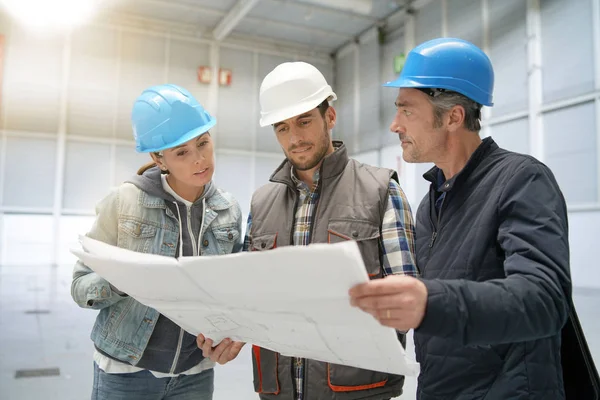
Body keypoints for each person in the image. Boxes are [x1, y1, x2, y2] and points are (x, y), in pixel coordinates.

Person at [349, 37, 600, 399]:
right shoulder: (431, 204)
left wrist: (430, 302)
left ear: (453, 116)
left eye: (407, 110)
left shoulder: (521, 180)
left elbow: (544, 298)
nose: (395, 125)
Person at [196, 61, 418, 400]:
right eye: (282, 128)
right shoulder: (262, 202)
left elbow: (407, 306)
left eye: (304, 122)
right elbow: (247, 297)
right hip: (278, 391)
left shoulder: (381, 191)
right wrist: (230, 333)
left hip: (355, 390)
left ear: (329, 117)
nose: (295, 138)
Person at [71, 84, 243, 400]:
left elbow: (233, 292)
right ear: (159, 158)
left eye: (203, 143)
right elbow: (80, 288)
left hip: (195, 374)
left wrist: (230, 334)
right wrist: (124, 282)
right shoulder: (124, 202)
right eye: (182, 152)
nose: (199, 159)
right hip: (126, 373)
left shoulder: (228, 210)